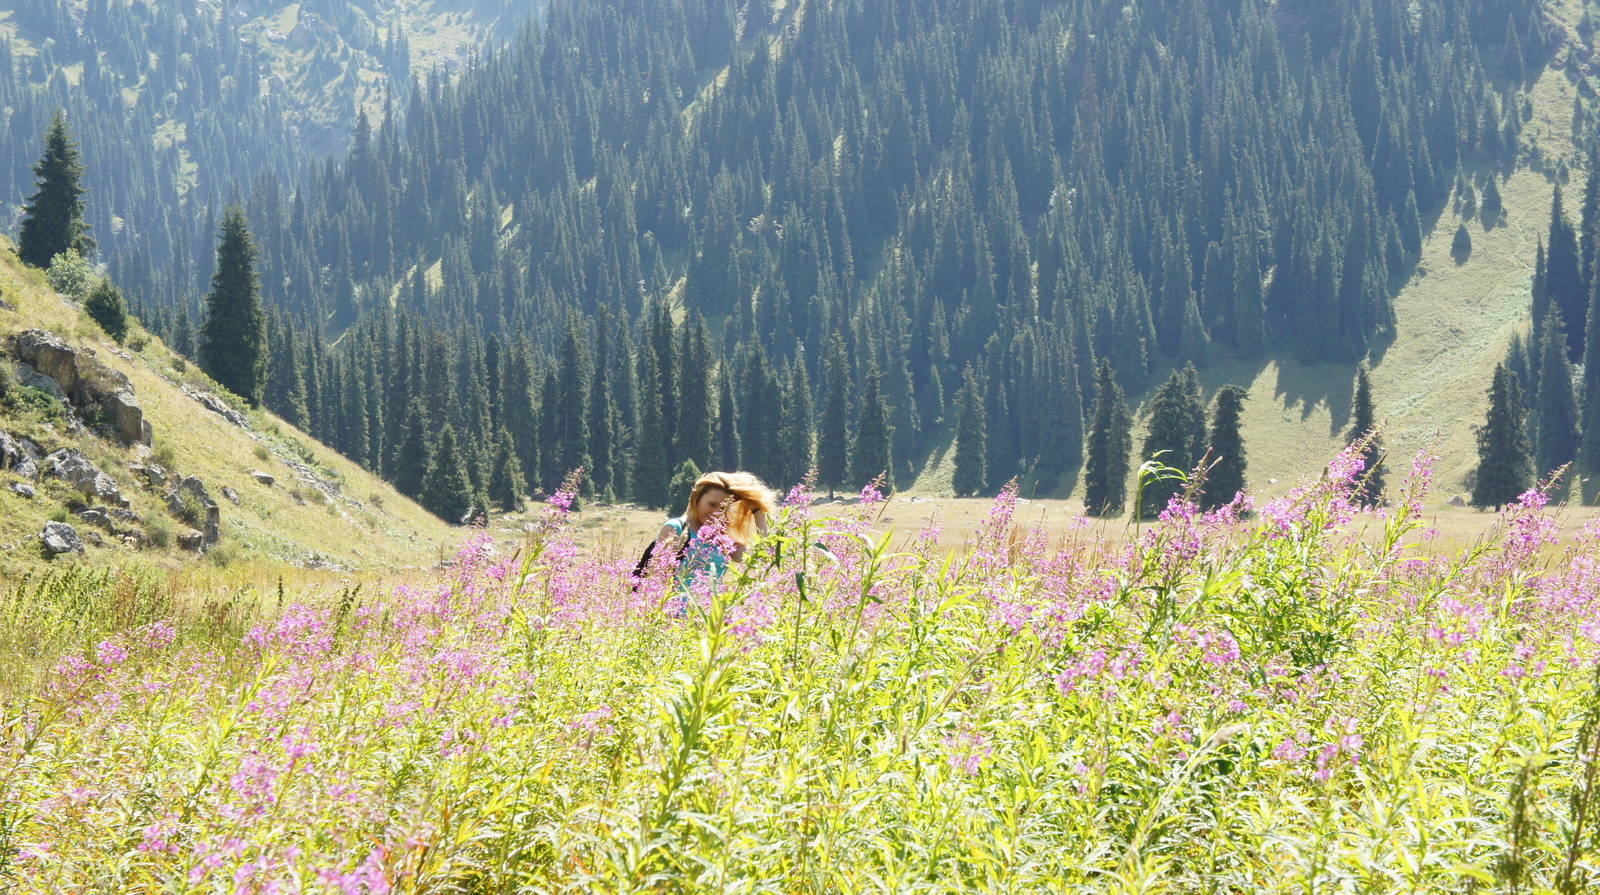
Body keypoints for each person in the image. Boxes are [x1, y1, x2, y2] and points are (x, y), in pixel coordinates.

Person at [653, 471, 776, 611]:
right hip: (676, 621)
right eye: (712, 505)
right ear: (696, 498)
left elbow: (763, 555)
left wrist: (757, 512)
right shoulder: (675, 529)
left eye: (724, 508)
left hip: (709, 621)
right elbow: (657, 582)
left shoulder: (721, 540)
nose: (717, 513)